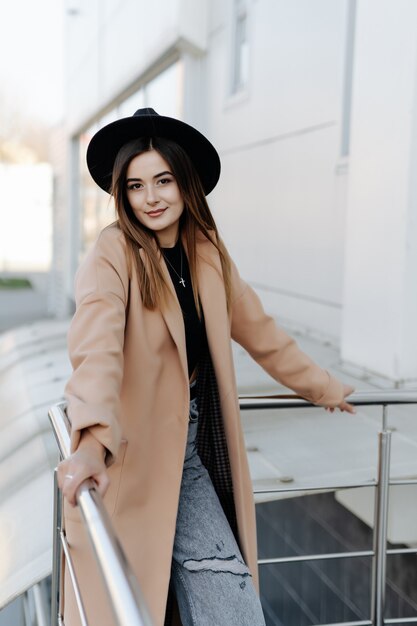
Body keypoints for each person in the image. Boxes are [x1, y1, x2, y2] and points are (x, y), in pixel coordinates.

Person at [57, 107, 355, 626]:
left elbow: (263, 334)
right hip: (128, 455)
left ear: (185, 182)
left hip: (189, 455)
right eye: (135, 185)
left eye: (163, 181)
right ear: (122, 194)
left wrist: (324, 387)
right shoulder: (114, 252)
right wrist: (89, 443)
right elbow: (96, 348)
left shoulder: (208, 255)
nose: (150, 198)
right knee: (123, 603)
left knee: (231, 598)